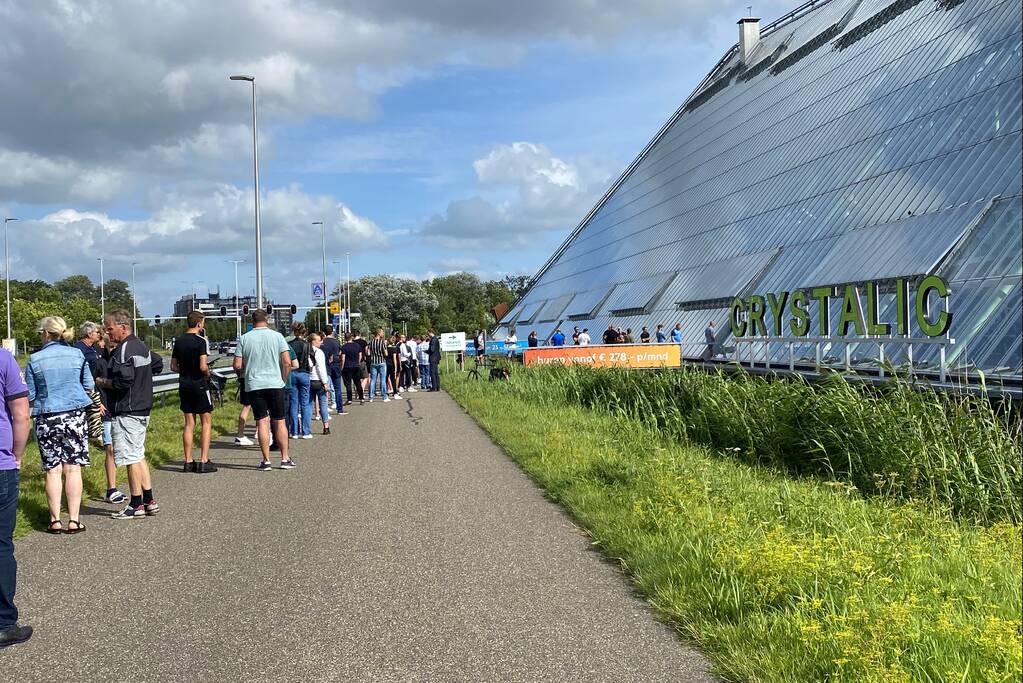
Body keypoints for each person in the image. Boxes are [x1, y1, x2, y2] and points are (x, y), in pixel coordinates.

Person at [25, 317, 93, 534]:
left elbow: (31, 394)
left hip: (47, 417)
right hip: (74, 415)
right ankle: (74, 520)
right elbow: (88, 385)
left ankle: (55, 521)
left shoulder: (35, 359)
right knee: (73, 469)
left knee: (52, 471)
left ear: (46, 333)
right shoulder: (77, 354)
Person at [98, 310, 164, 519]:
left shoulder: (125, 349)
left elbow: (123, 381)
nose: (108, 333)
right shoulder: (141, 346)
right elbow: (158, 364)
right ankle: (149, 499)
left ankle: (136, 504)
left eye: (110, 329)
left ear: (123, 327)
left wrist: (103, 382)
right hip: (142, 406)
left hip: (128, 409)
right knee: (138, 453)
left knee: (130, 457)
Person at [233, 310, 294, 471]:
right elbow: (287, 362)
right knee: (279, 420)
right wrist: (283, 379)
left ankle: (266, 460)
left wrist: (242, 375)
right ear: (266, 320)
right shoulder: (277, 337)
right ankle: (285, 458)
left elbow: (237, 365)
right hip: (275, 383)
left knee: (262, 421)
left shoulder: (245, 339)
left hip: (254, 385)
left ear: (252, 321)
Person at [0, 343, 31, 647]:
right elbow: (21, 415)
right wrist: (16, 455)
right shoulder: (4, 359)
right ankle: (4, 624)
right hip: (1, 465)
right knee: (0, 545)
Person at [171, 311, 217, 473]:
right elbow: (203, 366)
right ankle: (204, 460)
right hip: (199, 384)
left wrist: (185, 371)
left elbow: (173, 366)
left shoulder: (179, 341)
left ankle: (188, 461)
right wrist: (207, 374)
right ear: (199, 323)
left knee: (189, 423)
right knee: (206, 421)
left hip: (184, 384)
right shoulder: (201, 341)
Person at [94, 334, 126, 504]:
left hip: (124, 410)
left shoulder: (124, 361)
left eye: (115, 347)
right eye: (110, 347)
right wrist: (98, 402)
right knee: (110, 449)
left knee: (126, 449)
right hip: (107, 410)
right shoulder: (100, 363)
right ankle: (111, 489)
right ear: (105, 347)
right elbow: (90, 384)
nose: (113, 350)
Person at [286, 322, 312, 439]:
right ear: (304, 332)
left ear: (294, 332)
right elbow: (313, 361)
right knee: (305, 403)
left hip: (292, 374)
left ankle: (294, 431)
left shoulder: (289, 344)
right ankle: (306, 432)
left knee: (293, 403)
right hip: (304, 373)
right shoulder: (307, 345)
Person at [308, 333, 333, 436]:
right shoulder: (319, 352)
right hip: (318, 380)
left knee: (308, 404)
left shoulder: (305, 351)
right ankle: (326, 426)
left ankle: (306, 427)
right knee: (323, 403)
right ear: (313, 341)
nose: (320, 342)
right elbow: (321, 368)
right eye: (318, 340)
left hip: (308, 380)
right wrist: (325, 382)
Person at [320, 326, 343, 414]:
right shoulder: (336, 341)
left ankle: (324, 410)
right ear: (332, 332)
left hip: (325, 366)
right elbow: (340, 353)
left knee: (325, 388)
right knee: (337, 388)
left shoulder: (322, 343)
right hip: (336, 365)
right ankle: (339, 409)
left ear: (324, 332)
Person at [339, 333, 365, 404]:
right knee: (358, 383)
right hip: (356, 366)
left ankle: (349, 399)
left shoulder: (344, 347)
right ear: (352, 337)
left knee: (348, 384)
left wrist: (342, 367)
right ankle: (361, 398)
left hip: (347, 367)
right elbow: (360, 355)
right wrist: (358, 362)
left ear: (345, 338)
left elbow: (343, 358)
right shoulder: (357, 346)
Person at [367, 328, 389, 402]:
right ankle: (384, 396)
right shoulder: (382, 342)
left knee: (373, 380)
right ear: (379, 333)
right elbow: (386, 353)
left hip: (373, 362)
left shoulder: (371, 342)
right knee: (383, 380)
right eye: (382, 332)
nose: (383, 334)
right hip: (382, 362)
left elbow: (368, 353)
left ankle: (370, 397)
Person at [386, 333, 403, 400]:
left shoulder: (386, 348)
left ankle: (386, 391)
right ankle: (395, 393)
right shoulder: (394, 348)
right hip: (392, 365)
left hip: (386, 364)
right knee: (393, 379)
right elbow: (394, 359)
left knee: (386, 378)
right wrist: (396, 368)